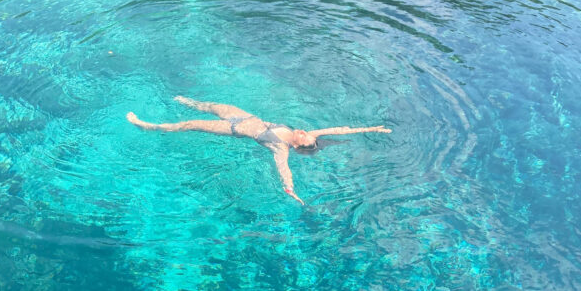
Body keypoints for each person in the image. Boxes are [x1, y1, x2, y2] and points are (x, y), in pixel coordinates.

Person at [126, 96, 391, 205]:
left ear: (299, 144)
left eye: (303, 134)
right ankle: (184, 100)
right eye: (304, 131)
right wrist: (371, 129)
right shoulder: (308, 136)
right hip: (243, 115)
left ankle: (147, 126)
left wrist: (291, 190)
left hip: (234, 129)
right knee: (208, 105)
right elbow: (338, 129)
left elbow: (283, 170)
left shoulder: (281, 148)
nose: (303, 130)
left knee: (190, 125)